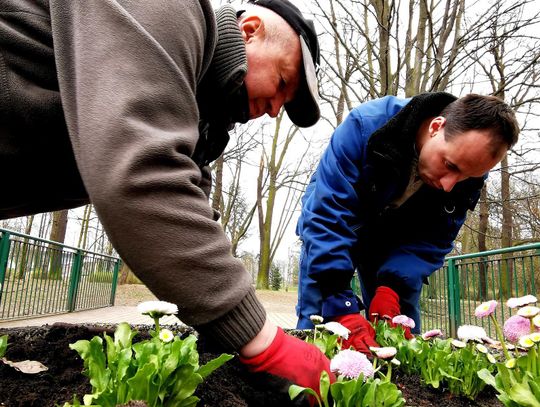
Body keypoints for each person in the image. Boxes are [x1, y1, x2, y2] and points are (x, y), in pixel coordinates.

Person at [0, 0, 332, 393]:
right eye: (281, 83)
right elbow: (144, 177)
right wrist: (264, 341)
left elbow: (188, 224)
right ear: (250, 30)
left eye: (286, 104)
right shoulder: (167, 9)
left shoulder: (192, 124)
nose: (276, 110)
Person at [295, 92, 520, 353]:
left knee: (402, 336)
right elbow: (328, 213)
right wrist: (338, 296)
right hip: (335, 234)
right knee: (318, 325)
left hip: (396, 250)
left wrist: (393, 287)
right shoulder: (365, 127)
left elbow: (434, 240)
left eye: (465, 177)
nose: (449, 185)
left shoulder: (468, 171)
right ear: (436, 127)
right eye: (449, 165)